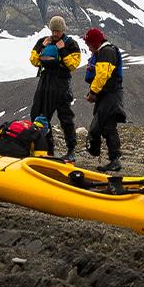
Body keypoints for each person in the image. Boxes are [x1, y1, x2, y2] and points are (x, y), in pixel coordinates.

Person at [28, 16, 82, 160]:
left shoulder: (71, 44)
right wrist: (42, 47)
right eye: (53, 30)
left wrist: (62, 50)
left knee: (65, 117)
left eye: (58, 31)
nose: (55, 33)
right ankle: (47, 149)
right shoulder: (44, 41)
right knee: (38, 115)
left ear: (63, 29)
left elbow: (73, 64)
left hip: (61, 84)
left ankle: (71, 150)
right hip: (45, 82)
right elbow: (33, 60)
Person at [82, 28, 126, 172]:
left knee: (99, 128)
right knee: (108, 127)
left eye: (89, 44)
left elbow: (102, 75)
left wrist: (93, 93)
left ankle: (106, 155)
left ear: (95, 42)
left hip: (111, 95)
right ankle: (114, 160)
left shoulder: (107, 52)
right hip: (107, 95)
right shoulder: (103, 52)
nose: (89, 48)